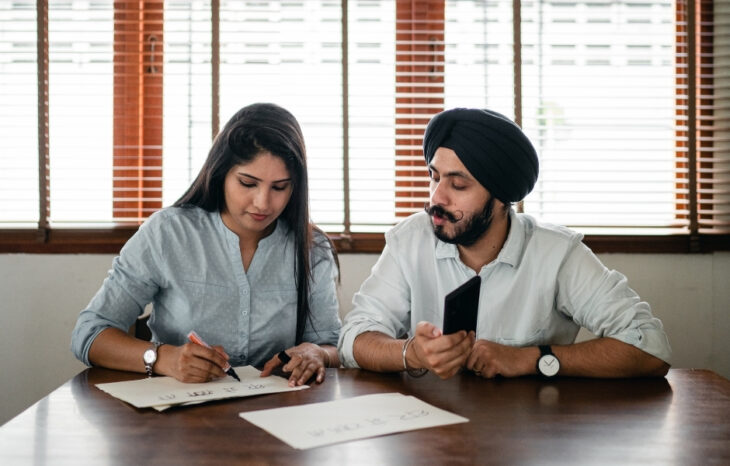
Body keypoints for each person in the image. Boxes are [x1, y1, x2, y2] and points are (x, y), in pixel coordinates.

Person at [338, 107, 671, 379]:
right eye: (435, 177)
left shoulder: (556, 253)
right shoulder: (409, 240)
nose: (437, 197)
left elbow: (650, 347)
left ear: (501, 198)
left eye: (458, 184)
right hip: (431, 436)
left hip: (530, 435)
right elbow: (353, 339)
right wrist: (412, 352)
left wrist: (531, 359)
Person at [72, 103, 341, 386]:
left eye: (279, 187)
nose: (263, 202)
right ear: (221, 173)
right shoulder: (168, 233)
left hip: (278, 411)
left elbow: (333, 346)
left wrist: (317, 353)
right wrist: (164, 359)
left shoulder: (312, 249)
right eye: (248, 183)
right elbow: (89, 334)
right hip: (179, 415)